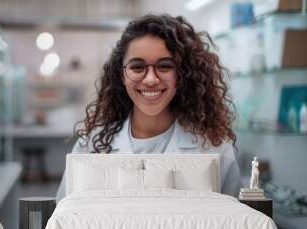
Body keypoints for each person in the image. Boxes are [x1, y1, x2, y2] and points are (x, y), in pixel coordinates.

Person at [56, 14, 242, 201]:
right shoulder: (92, 145)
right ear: (121, 75)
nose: (151, 79)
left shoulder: (214, 148)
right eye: (137, 67)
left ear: (182, 74)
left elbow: (233, 224)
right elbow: (65, 216)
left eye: (165, 66)